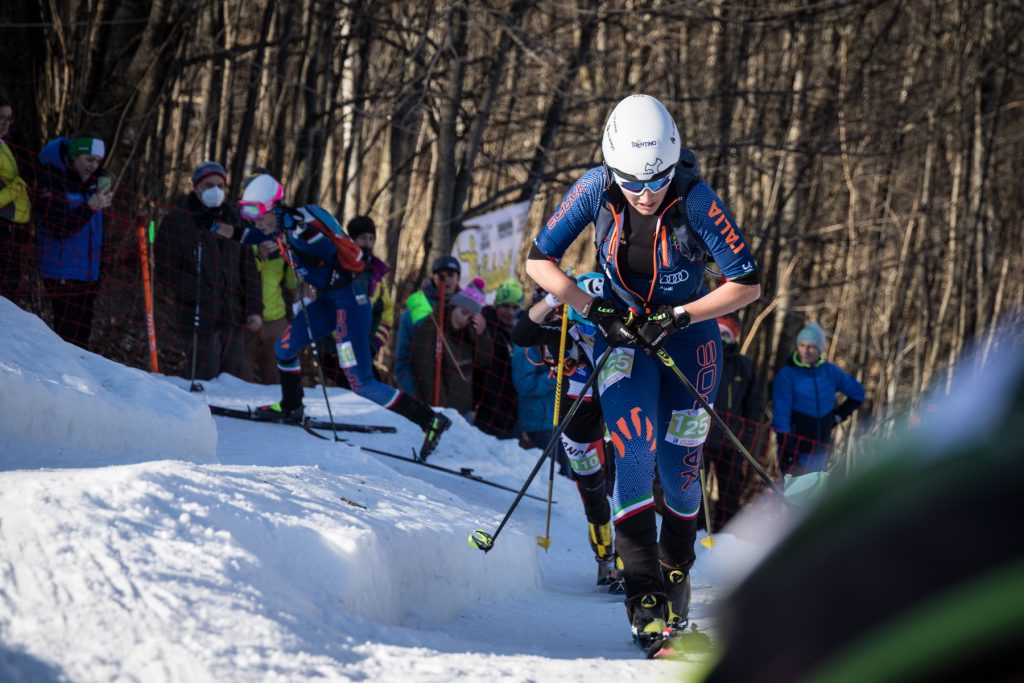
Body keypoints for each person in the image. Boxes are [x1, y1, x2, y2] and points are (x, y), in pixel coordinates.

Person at [525, 94, 761, 647]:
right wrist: (594, 308)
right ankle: (643, 594)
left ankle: (675, 572)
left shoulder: (696, 200)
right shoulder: (593, 189)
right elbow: (538, 260)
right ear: (612, 167)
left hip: (689, 341)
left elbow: (747, 284)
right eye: (632, 182)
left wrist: (681, 314)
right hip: (624, 337)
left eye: (657, 179)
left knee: (681, 466)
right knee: (633, 445)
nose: (647, 193)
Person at [226, 173, 451, 459]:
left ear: (273, 207)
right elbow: (246, 235)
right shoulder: (279, 227)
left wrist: (303, 239)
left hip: (351, 304)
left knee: (361, 382)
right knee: (284, 348)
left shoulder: (298, 228)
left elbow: (327, 247)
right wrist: (211, 223)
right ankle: (292, 406)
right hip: (328, 302)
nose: (253, 219)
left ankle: (429, 420)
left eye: (256, 212)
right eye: (247, 211)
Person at [512, 272, 619, 586]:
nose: (591, 331)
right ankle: (605, 556)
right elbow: (520, 335)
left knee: (626, 480)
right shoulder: (563, 330)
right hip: (578, 411)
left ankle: (629, 559)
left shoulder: (617, 329)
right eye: (585, 319)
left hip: (617, 403)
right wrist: (551, 299)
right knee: (592, 489)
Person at [155, 160, 263, 381]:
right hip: (198, 315)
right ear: (196, 187)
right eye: (208, 185)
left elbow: (248, 268)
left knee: (233, 379)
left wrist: (253, 308)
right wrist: (197, 292)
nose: (215, 191)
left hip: (233, 314)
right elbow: (166, 270)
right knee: (204, 378)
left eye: (220, 186)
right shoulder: (177, 221)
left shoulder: (235, 219)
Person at [35, 135, 112, 349]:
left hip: (87, 273)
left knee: (82, 337)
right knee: (66, 337)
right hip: (61, 272)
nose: (93, 166)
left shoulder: (93, 183)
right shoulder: (52, 178)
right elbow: (58, 227)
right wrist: (89, 207)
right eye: (88, 160)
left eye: (98, 161)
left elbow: (96, 233)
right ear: (74, 157)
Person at [771, 322, 865, 474]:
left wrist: (838, 416)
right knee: (794, 493)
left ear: (820, 349)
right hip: (795, 447)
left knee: (816, 493)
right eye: (802, 345)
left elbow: (858, 393)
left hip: (821, 448)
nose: (805, 351)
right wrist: (785, 442)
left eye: (811, 347)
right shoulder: (787, 375)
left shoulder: (830, 372)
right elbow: (781, 411)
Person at [702, 314, 764, 531]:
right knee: (695, 490)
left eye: (726, 334)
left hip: (732, 441)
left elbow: (754, 406)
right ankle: (694, 531)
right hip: (701, 437)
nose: (722, 338)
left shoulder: (744, 366)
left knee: (730, 491)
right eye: (718, 332)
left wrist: (746, 437)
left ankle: (725, 534)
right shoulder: (702, 357)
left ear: (734, 337)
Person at [321, 215, 394, 386]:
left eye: (371, 238)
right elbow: (326, 308)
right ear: (352, 240)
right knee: (347, 389)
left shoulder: (377, 273)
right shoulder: (337, 267)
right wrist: (335, 345)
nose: (367, 243)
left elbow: (385, 314)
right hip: (337, 348)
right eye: (362, 238)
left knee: (374, 388)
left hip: (364, 349)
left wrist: (373, 345)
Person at [409, 279, 493, 418]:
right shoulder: (432, 326)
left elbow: (483, 361)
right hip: (442, 412)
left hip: (464, 412)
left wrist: (482, 335)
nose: (465, 320)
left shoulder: (470, 333)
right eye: (464, 312)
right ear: (454, 305)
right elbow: (426, 372)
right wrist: (442, 410)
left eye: (471, 317)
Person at [395, 255, 462, 395]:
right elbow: (403, 359)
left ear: (458, 278)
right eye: (441, 275)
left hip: (458, 398)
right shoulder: (418, 307)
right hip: (425, 393)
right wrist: (413, 393)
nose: (446, 280)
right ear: (433, 277)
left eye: (451, 275)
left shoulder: (465, 308)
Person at [474, 278, 522, 439]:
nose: (510, 312)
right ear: (497, 305)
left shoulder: (514, 333)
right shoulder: (488, 328)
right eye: (506, 306)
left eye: (515, 307)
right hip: (488, 409)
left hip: (510, 410)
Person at [246, 236, 296, 384]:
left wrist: (292, 258)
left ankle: (279, 406)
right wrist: (259, 257)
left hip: (276, 320)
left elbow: (291, 284)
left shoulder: (283, 246)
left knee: (276, 379)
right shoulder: (246, 242)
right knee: (240, 377)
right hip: (246, 320)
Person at [0, 96, 32, 303]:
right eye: (0, 118)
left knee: (11, 292)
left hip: (12, 229)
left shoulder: (4, 145)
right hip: (2, 229)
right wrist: (21, 183)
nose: (5, 124)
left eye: (9, 119)